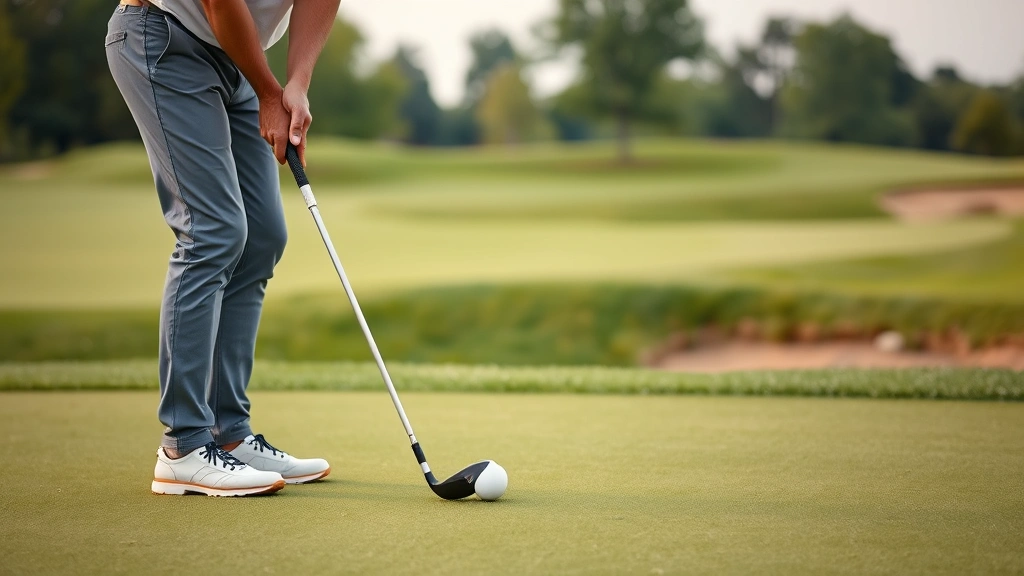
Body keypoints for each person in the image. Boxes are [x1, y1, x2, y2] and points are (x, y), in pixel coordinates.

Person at [105, 0, 340, 496]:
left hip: (236, 56)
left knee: (262, 237)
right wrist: (268, 90)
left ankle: (228, 436)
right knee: (212, 232)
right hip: (164, 38)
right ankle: (184, 447)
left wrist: (295, 83)